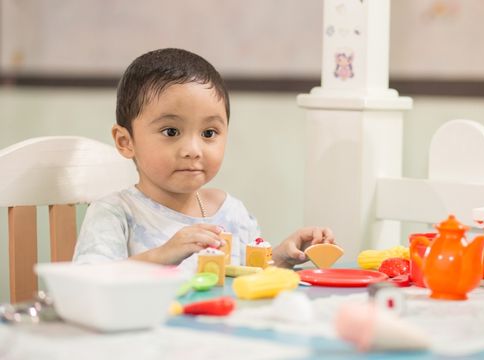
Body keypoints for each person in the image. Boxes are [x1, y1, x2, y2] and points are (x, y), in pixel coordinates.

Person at [73, 48, 335, 271]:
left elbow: (245, 275)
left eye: (209, 133)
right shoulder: (116, 212)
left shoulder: (232, 213)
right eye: (171, 132)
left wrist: (282, 257)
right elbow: (86, 283)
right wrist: (160, 256)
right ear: (125, 141)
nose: (193, 150)